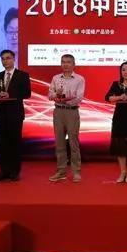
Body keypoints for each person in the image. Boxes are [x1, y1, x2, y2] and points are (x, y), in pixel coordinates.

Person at [0, 49, 31, 182]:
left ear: (13, 59)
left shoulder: (23, 75)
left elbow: (26, 93)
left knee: (15, 142)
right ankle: (3, 171)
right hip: (1, 113)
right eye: (3, 59)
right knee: (2, 143)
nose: (5, 61)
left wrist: (10, 95)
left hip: (15, 114)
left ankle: (15, 171)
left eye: (8, 58)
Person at [48, 54, 85, 183]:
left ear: (74, 64)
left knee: (73, 143)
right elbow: (50, 95)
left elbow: (79, 97)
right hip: (58, 111)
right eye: (63, 62)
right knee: (59, 143)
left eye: (68, 62)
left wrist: (65, 100)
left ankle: (76, 171)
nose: (65, 64)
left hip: (72, 112)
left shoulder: (79, 79)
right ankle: (61, 171)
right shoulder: (56, 78)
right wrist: (56, 95)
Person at [0, 8, 19, 73]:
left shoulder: (32, 61)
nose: (14, 37)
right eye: (11, 31)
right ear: (5, 33)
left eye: (18, 31)